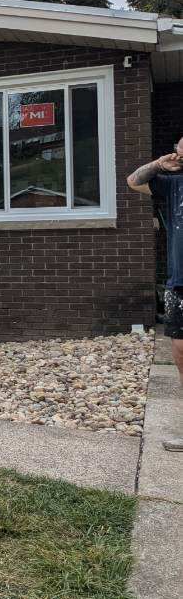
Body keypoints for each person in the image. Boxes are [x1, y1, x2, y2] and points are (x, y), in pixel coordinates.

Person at [128, 142, 183, 451]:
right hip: (179, 284)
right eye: (178, 148)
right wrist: (160, 163)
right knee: (179, 351)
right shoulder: (172, 185)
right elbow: (134, 181)